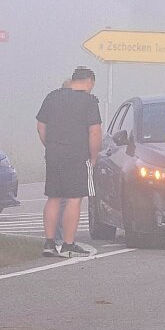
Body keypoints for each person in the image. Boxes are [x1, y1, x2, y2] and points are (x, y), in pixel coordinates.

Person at [35, 66, 103, 257]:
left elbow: (41, 126)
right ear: (89, 81)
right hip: (77, 155)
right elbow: (95, 132)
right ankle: (68, 244)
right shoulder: (88, 102)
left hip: (54, 153)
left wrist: (50, 145)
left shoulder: (52, 97)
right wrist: (94, 156)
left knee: (53, 197)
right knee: (74, 199)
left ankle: (49, 243)